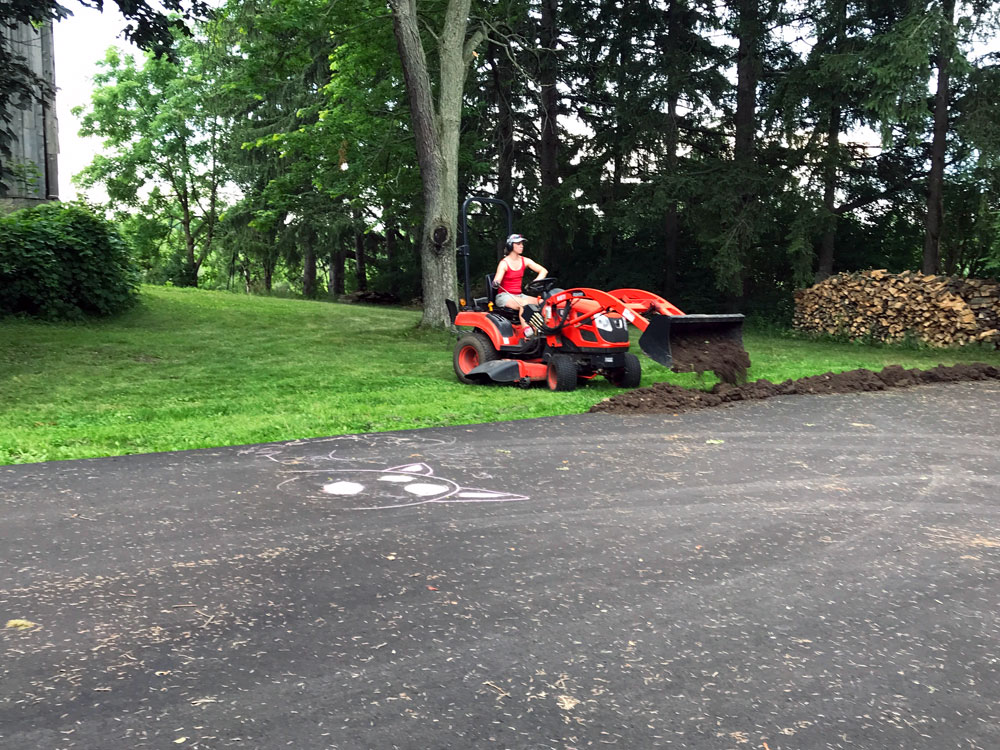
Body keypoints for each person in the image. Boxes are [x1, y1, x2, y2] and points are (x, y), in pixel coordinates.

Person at [493, 233, 547, 332]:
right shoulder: (504, 263)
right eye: (518, 243)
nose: (521, 245)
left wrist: (536, 281)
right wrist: (496, 282)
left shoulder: (525, 260)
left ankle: (543, 327)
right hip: (504, 296)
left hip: (519, 295)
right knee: (524, 304)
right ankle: (527, 330)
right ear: (510, 245)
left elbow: (543, 271)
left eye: (522, 243)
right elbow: (497, 278)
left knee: (544, 302)